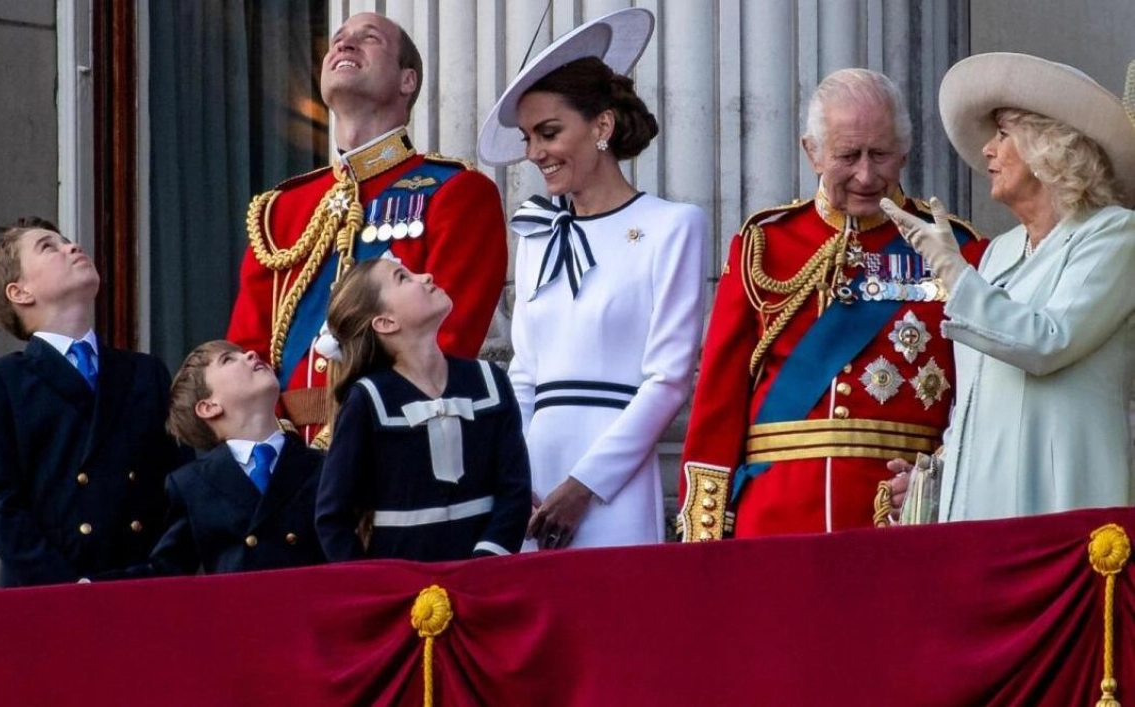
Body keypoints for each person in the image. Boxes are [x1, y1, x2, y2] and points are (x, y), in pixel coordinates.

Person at [678, 69, 986, 540]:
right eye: (848, 155)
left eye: (880, 155)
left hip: (900, 519)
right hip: (775, 521)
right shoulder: (765, 244)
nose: (866, 174)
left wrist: (940, 476)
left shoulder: (955, 248)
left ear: (904, 152)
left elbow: (981, 398)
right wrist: (705, 538)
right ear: (813, 152)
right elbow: (717, 403)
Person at [478, 8, 707, 549]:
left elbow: (670, 380)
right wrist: (516, 481)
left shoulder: (672, 226)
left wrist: (585, 485)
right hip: (533, 483)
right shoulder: (535, 236)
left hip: (613, 485)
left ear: (601, 126)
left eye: (548, 132)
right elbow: (525, 375)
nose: (534, 153)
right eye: (529, 136)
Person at [227, 12, 507, 448]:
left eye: (368, 38)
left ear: (407, 80)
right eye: (337, 40)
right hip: (285, 454)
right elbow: (248, 345)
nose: (344, 44)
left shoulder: (455, 191)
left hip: (395, 441)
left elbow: (450, 339)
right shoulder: (281, 209)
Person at [880, 53, 1135, 521]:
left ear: (1047, 148)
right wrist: (937, 479)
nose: (988, 151)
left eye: (1002, 135)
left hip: (1064, 513)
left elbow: (1048, 341)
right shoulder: (999, 251)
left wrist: (954, 273)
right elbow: (975, 400)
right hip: (981, 521)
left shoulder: (1116, 235)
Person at [0, 218, 187, 587]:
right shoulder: (3, 382)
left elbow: (179, 486)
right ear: (19, 292)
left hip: (143, 590)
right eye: (48, 247)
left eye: (66, 240)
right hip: (50, 596)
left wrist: (161, 568)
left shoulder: (145, 372)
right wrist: (69, 586)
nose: (71, 246)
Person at [316, 259, 531, 562]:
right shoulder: (368, 399)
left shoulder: (488, 381)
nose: (426, 276)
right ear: (385, 322)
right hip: (404, 589)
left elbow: (515, 490)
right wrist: (375, 585)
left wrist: (487, 558)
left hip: (487, 577)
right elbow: (332, 516)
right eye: (403, 278)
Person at [92, 340, 326, 579]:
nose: (252, 354)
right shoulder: (193, 484)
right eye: (228, 359)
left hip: (311, 610)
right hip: (240, 613)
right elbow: (167, 569)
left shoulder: (323, 466)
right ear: (208, 407)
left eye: (243, 353)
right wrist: (92, 588)